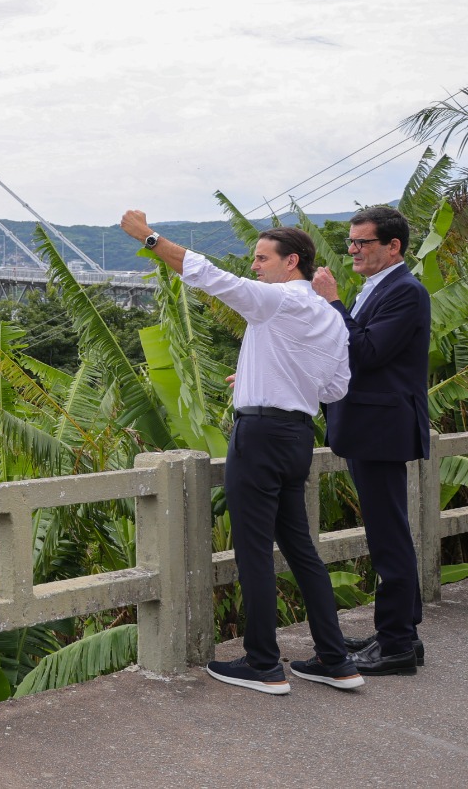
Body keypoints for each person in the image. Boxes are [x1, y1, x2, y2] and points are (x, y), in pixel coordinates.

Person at [120, 211, 362, 693]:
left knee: (253, 551)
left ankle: (263, 664)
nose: (254, 266)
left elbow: (210, 277)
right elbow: (335, 389)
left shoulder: (275, 301)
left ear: (291, 261)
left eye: (261, 257)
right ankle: (337, 661)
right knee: (302, 551)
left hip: (259, 439)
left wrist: (148, 237)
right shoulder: (330, 318)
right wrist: (266, 374)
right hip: (298, 438)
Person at [311, 205, 430, 676]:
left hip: (382, 430)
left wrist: (334, 303)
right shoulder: (379, 288)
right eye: (351, 242)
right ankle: (400, 633)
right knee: (388, 532)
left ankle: (397, 642)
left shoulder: (406, 291)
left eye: (363, 243)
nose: (353, 250)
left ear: (393, 246)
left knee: (389, 536)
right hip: (370, 428)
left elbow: (367, 351)